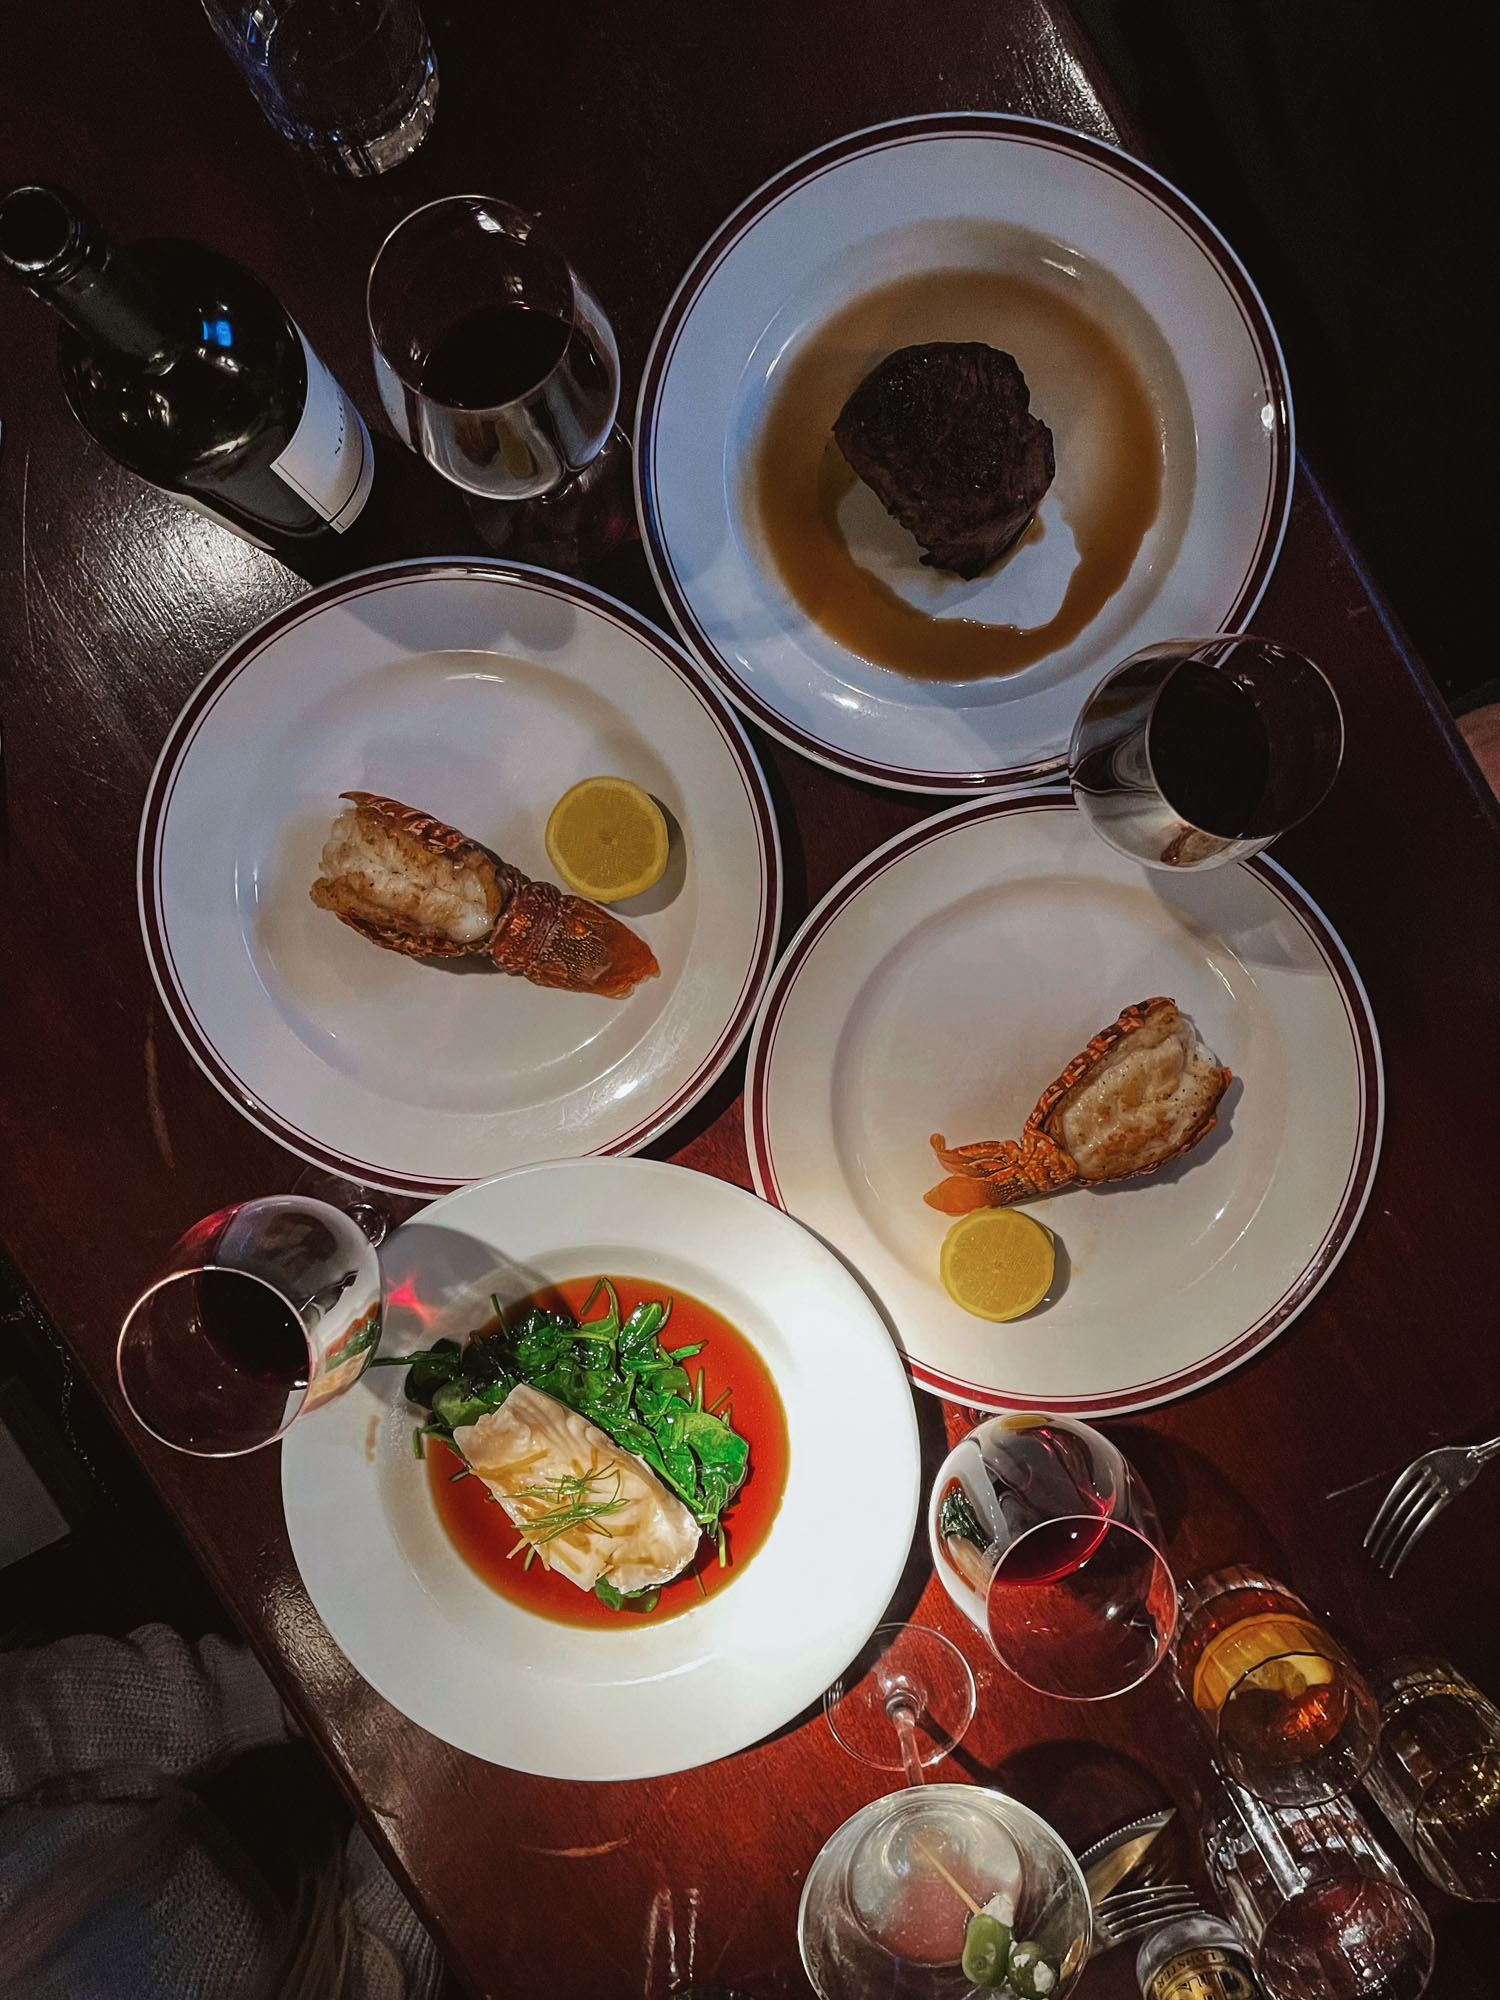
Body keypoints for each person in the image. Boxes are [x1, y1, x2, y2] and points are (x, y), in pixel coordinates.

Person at [0, 1624, 443, 1998]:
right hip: (378, 1908)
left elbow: (47, 1720)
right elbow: (361, 1982)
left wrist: (293, 1685)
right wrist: (428, 1806)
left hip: (246, 1701)